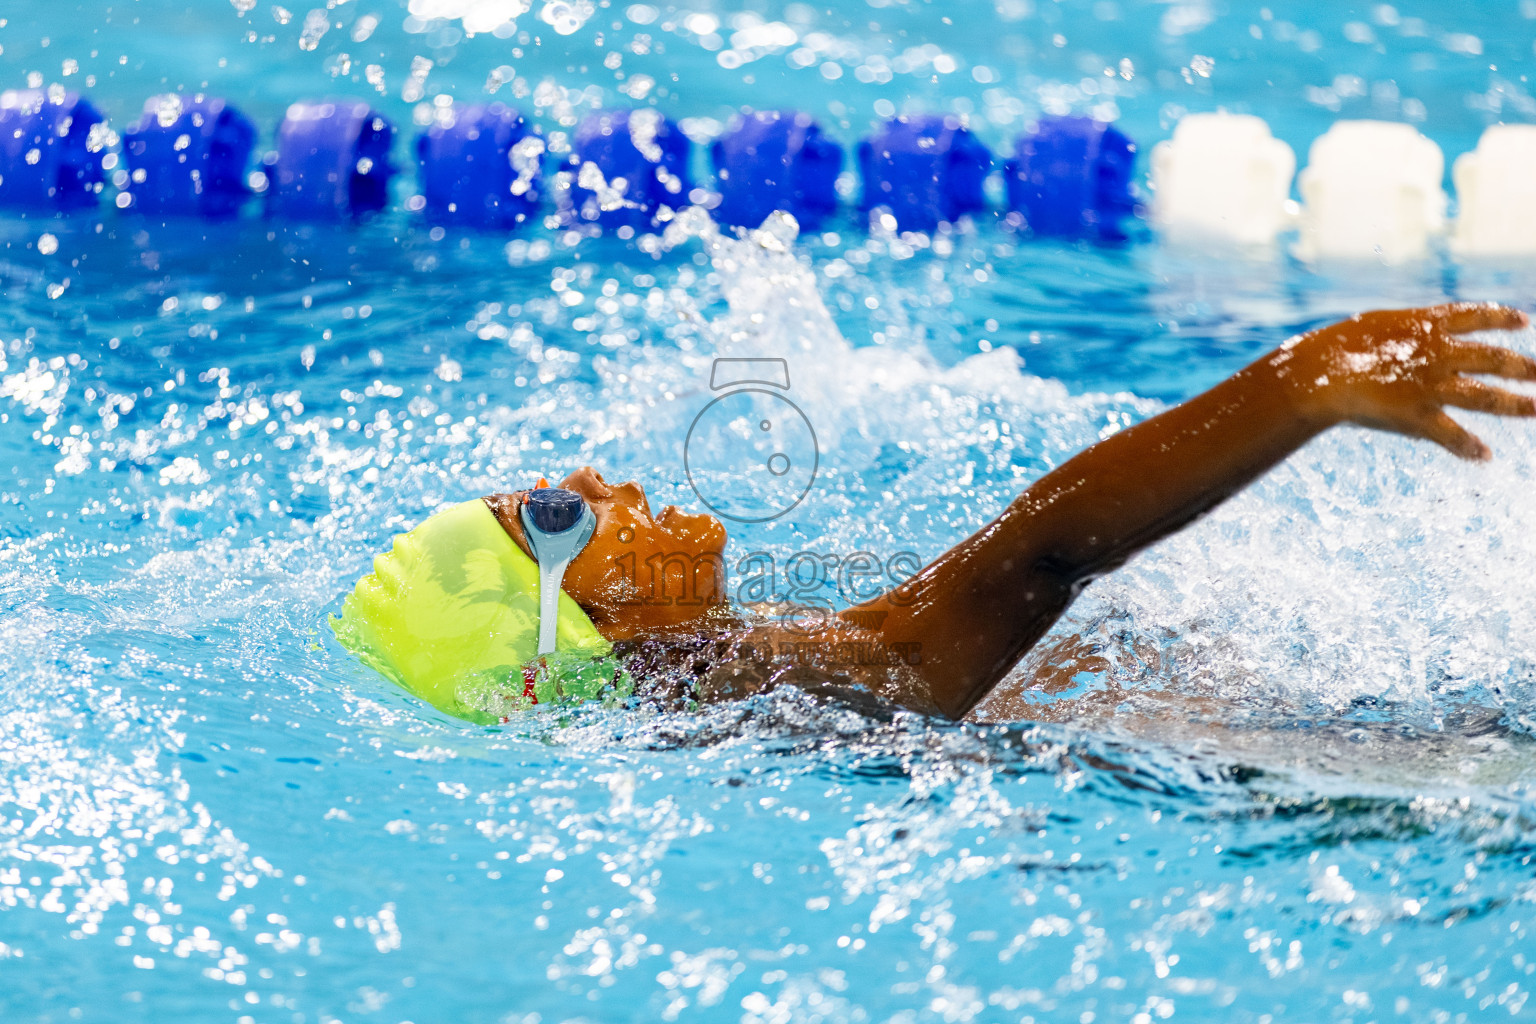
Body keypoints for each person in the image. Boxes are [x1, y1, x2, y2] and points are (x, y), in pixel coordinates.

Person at [335, 304, 1536, 723]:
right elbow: (1038, 560)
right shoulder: (718, 684)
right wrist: (1293, 386)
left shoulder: (725, 668)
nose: (595, 478)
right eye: (553, 512)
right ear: (575, 629)